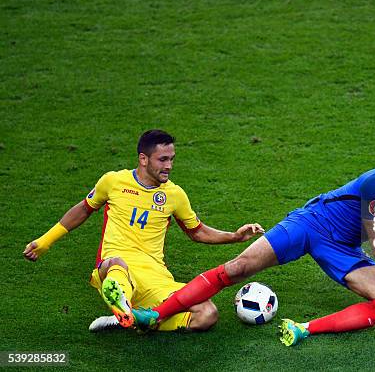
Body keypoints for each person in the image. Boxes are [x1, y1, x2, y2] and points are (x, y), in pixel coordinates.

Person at [131, 145, 375, 346]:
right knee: (238, 268)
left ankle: (302, 329)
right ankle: (155, 314)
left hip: (343, 247)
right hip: (310, 224)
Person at [23, 129, 264, 332]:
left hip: (156, 277)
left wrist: (235, 236)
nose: (169, 166)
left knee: (208, 314)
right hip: (115, 268)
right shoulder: (113, 182)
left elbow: (197, 232)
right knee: (116, 264)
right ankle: (123, 304)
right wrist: (46, 241)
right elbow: (84, 209)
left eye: (172, 159)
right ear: (143, 159)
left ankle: (129, 317)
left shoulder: (174, 194)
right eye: (163, 159)